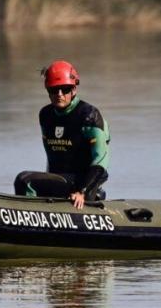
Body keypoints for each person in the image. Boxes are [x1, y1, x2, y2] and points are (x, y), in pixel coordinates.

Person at [14, 60, 110, 209]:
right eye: (54, 90)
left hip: (84, 182)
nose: (59, 94)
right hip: (60, 180)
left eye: (65, 89)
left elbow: (101, 161)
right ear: (48, 90)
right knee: (28, 180)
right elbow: (52, 158)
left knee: (25, 181)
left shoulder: (89, 115)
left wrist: (83, 191)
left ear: (74, 89)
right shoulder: (45, 115)